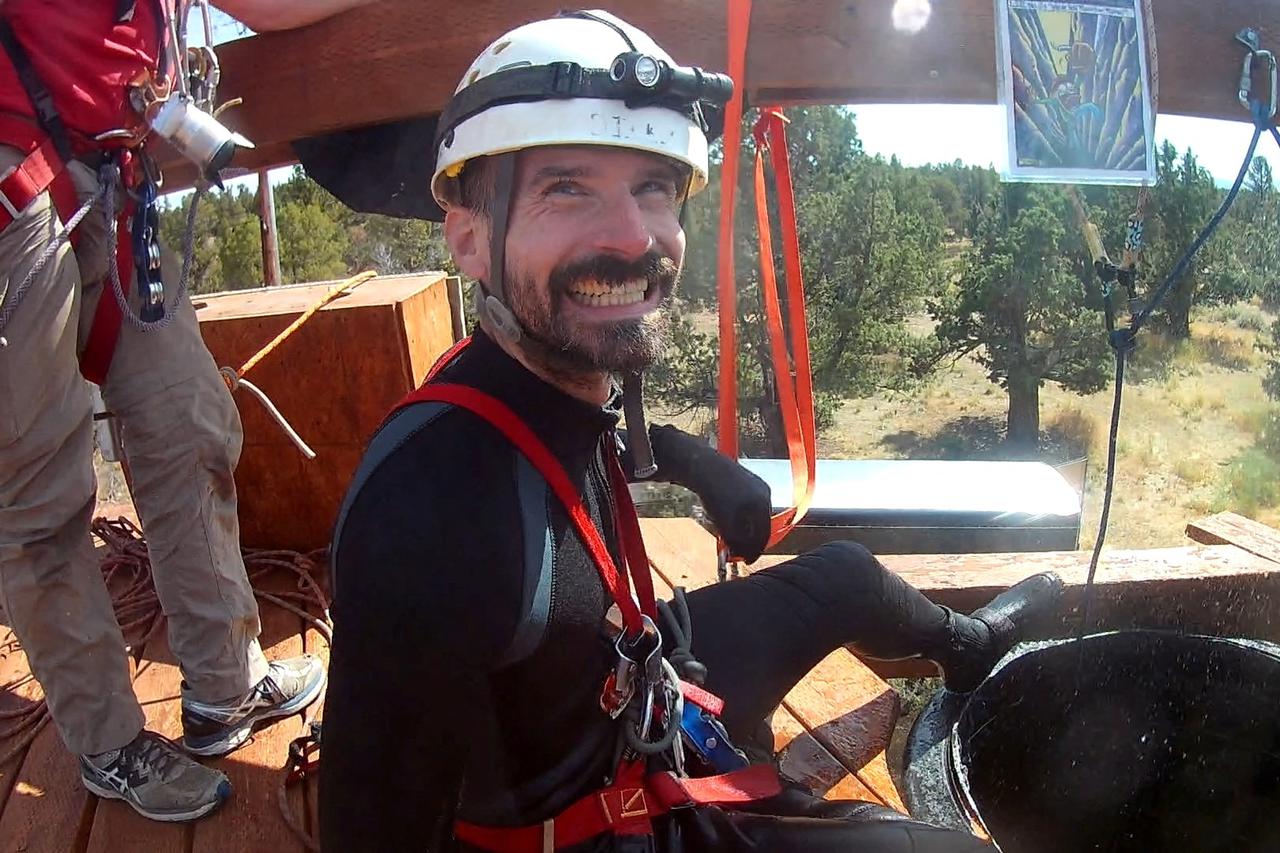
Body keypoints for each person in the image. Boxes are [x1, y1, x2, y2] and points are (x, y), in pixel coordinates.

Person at [320, 10, 1064, 851]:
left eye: (652, 189)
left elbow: (572, 446)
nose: (633, 237)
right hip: (588, 818)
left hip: (641, 676)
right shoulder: (427, 522)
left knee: (846, 577)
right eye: (567, 188)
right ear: (469, 236)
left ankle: (973, 647)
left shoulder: (537, 375)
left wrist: (692, 462)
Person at [0, 0, 373, 824]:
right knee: (39, 493)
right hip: (15, 187)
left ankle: (223, 685)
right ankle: (107, 741)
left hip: (111, 178)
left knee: (187, 424)